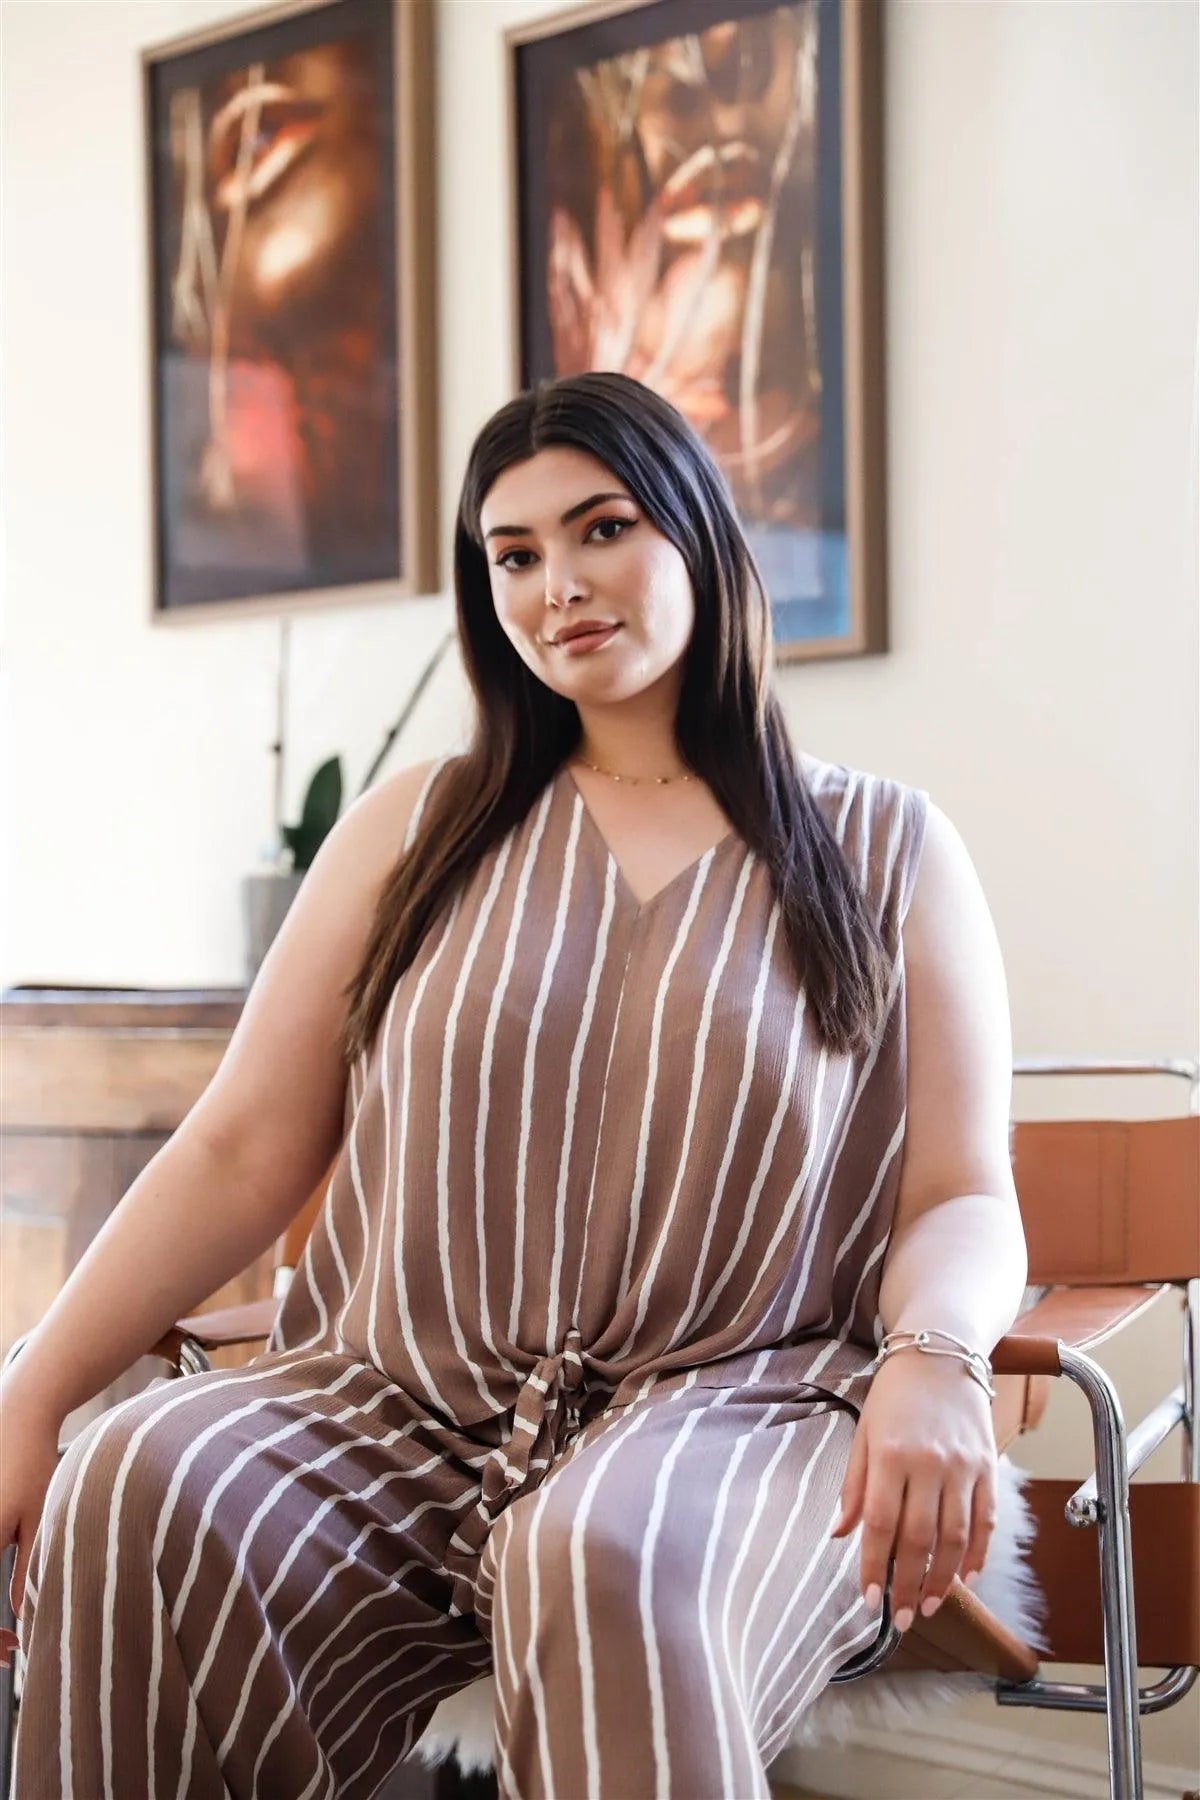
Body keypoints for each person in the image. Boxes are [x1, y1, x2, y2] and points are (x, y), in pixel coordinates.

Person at [0, 371, 1028, 1798]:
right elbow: (238, 1148)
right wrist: (33, 1390)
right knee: (137, 1476)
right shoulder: (413, 830)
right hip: (396, 1406)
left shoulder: (889, 849)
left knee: (598, 1550)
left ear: (698, 533)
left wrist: (937, 1358)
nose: (560, 586)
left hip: (740, 1412)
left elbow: (962, 1190)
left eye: (603, 529)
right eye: (515, 554)